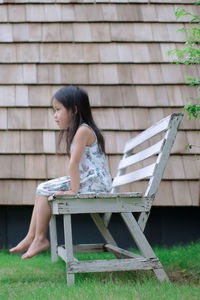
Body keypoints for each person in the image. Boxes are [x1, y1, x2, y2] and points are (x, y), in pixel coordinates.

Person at [9, 85, 112, 259]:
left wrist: (73, 190)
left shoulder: (83, 131)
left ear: (75, 110)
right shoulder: (82, 130)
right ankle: (32, 236)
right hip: (92, 181)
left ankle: (39, 238)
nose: (55, 116)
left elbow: (74, 163)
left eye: (58, 110)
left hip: (94, 183)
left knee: (43, 189)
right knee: (42, 189)